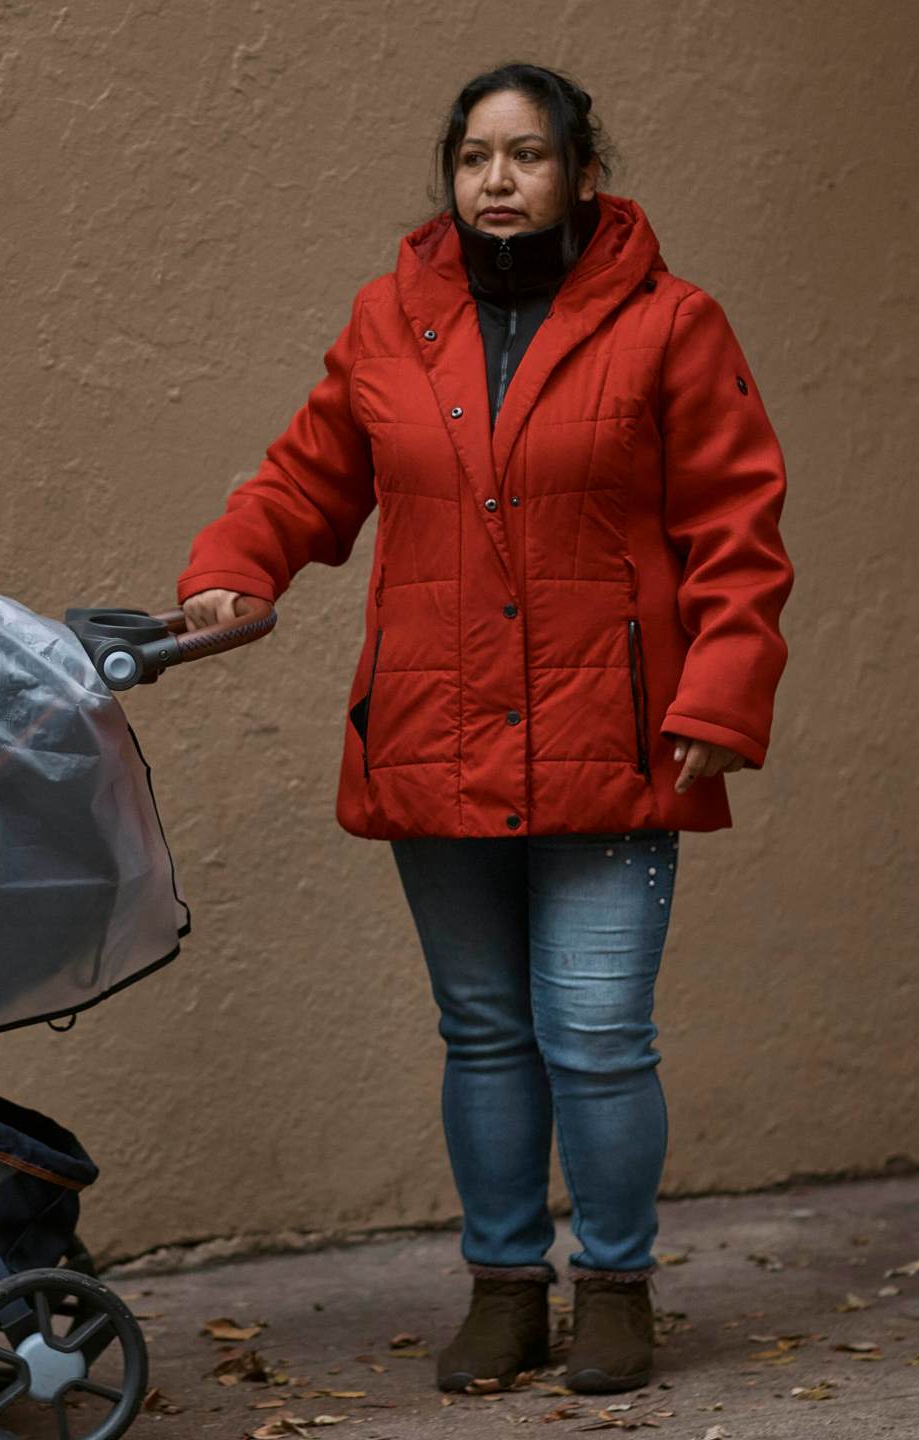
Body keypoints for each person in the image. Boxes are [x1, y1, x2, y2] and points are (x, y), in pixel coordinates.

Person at [175, 61, 793, 1395]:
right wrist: (238, 566)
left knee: (599, 1035)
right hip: (435, 730)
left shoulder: (673, 326)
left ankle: (617, 1287)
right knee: (484, 1032)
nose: (497, 183)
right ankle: (505, 1288)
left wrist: (723, 697)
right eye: (474, 159)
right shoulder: (390, 320)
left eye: (526, 156)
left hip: (613, 741)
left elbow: (738, 531)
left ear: (582, 173)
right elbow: (309, 474)